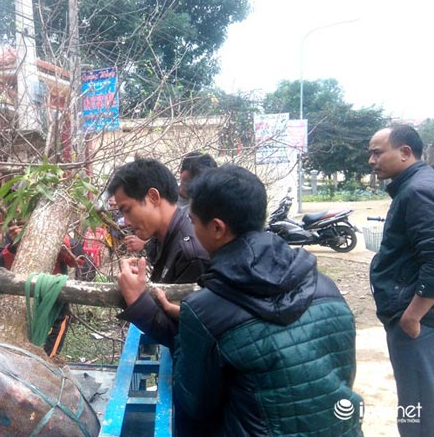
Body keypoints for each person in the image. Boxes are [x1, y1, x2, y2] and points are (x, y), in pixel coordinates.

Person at [118, 164, 363, 436]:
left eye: (195, 222)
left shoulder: (206, 308)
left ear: (217, 228)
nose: (193, 229)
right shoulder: (327, 288)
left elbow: (194, 404)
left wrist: (149, 309)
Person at [368, 124, 434, 436]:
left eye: (377, 152)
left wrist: (412, 316)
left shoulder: (418, 191)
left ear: (405, 152)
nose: (371, 160)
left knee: (417, 408)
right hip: (418, 315)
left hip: (416, 320)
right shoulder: (419, 184)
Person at [106, 158, 207, 333]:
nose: (126, 222)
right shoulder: (162, 238)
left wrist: (136, 299)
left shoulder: (191, 253)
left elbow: (184, 338)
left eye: (127, 210)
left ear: (153, 197)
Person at [0, 222, 81, 356]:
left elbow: (77, 260)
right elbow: (2, 266)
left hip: (54, 301)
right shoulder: (12, 234)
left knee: (50, 350)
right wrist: (15, 245)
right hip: (21, 300)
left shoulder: (58, 234)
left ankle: (48, 361)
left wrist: (56, 239)